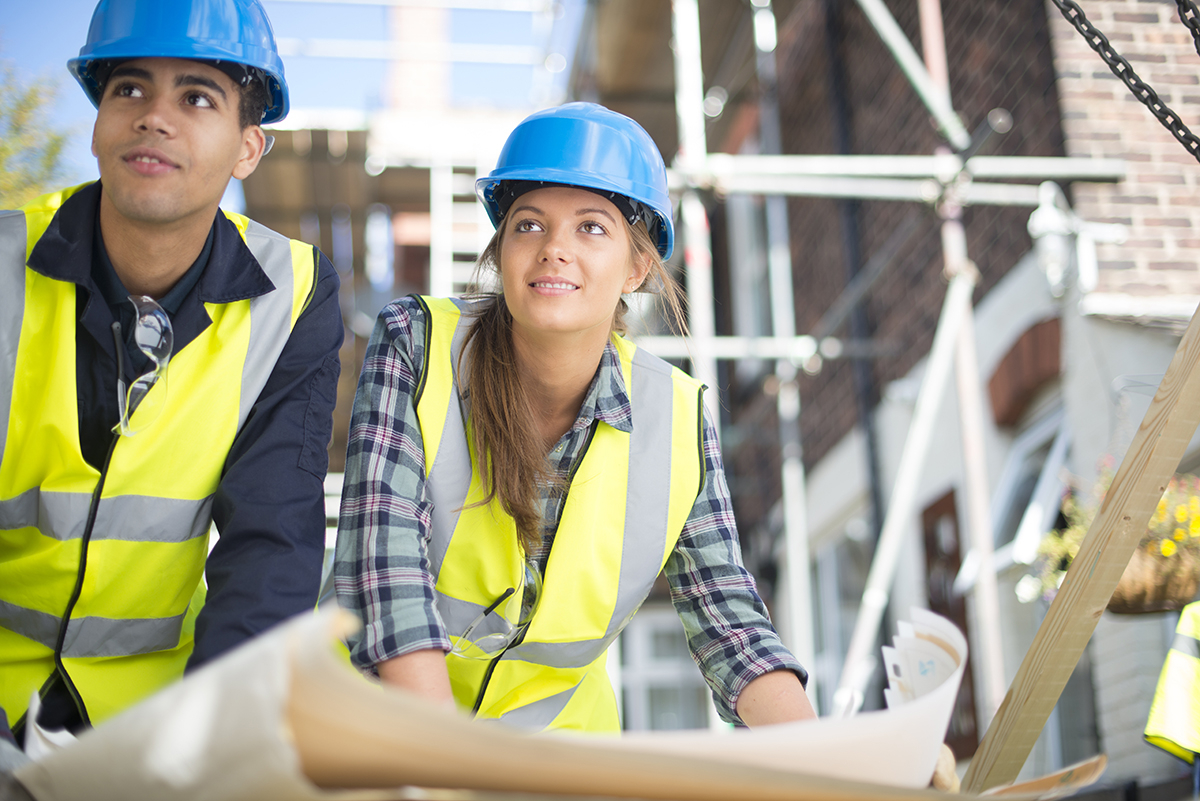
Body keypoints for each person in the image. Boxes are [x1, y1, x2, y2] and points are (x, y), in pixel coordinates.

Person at [334, 102, 816, 732]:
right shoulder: (417, 346)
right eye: (529, 225)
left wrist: (831, 758)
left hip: (557, 761)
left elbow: (732, 626)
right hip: (381, 739)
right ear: (501, 250)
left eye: (591, 228)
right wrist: (439, 770)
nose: (554, 250)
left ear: (637, 267)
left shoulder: (676, 416)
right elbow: (386, 578)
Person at [0, 0, 343, 752]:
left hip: (153, 718)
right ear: (96, 121)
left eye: (196, 97)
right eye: (128, 90)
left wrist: (207, 739)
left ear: (250, 147)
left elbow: (270, 544)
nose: (154, 117)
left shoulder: (294, 298)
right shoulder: (2, 272)